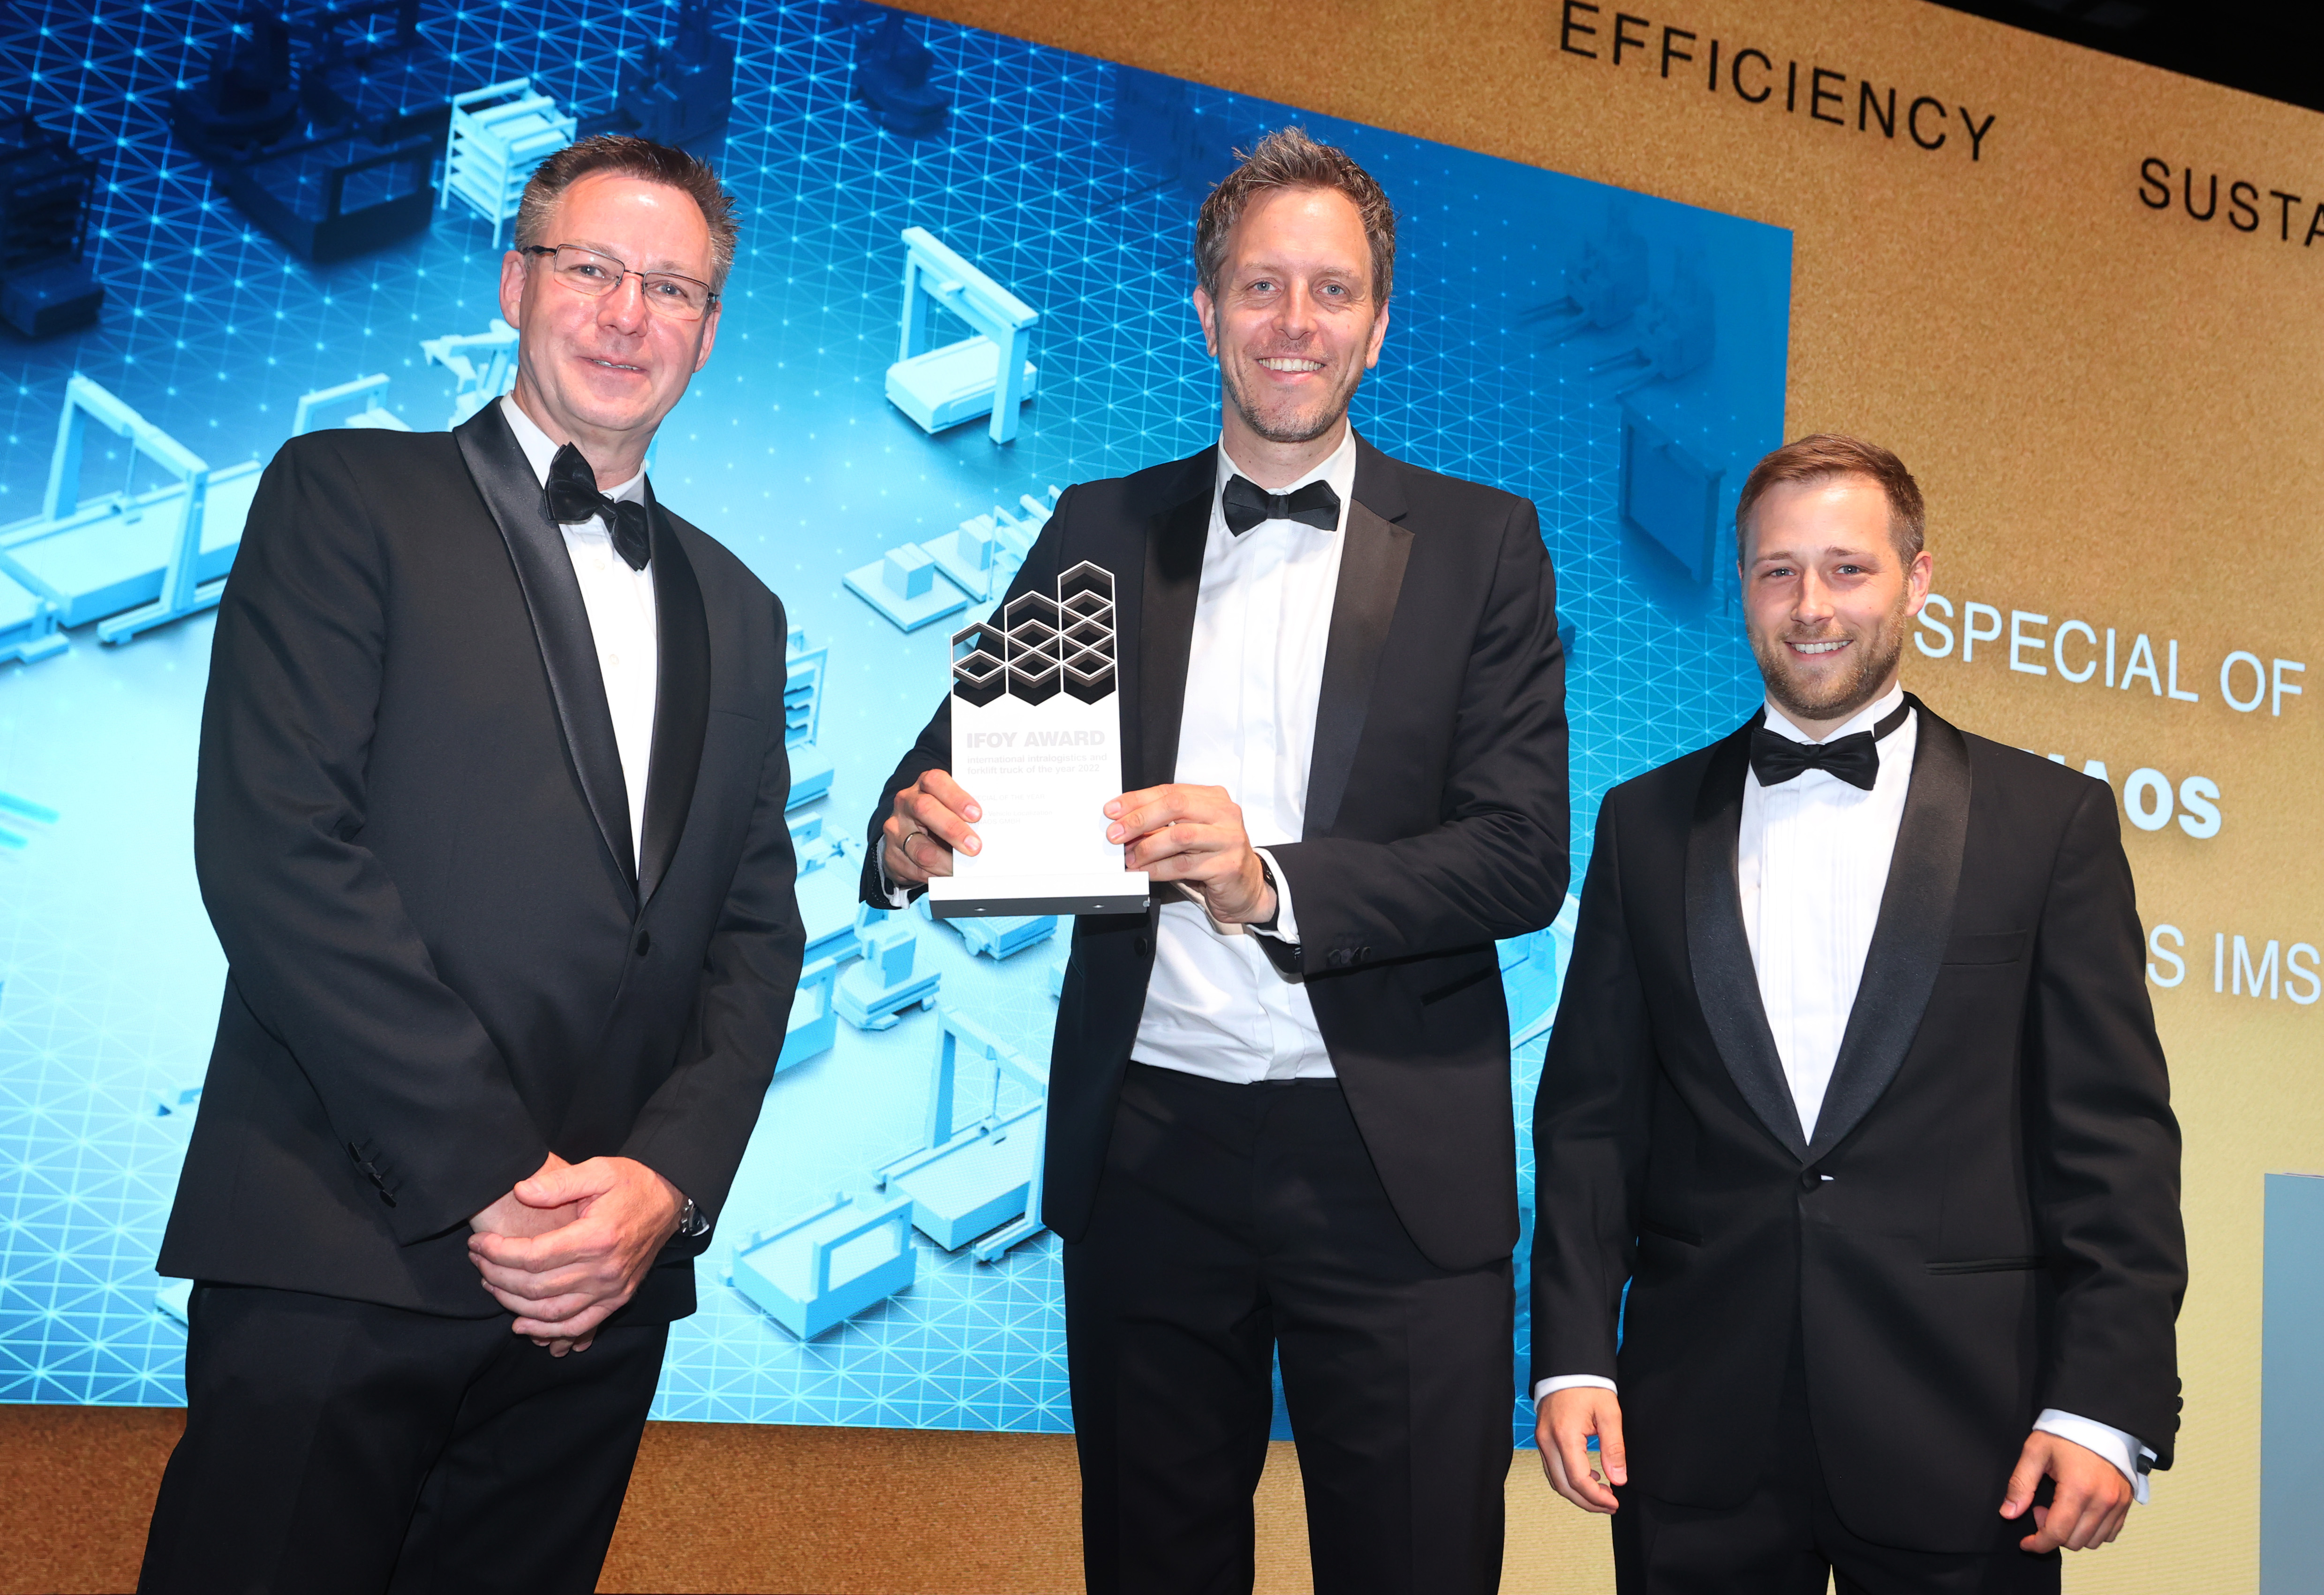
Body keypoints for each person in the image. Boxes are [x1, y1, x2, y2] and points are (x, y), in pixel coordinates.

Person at [865, 128, 1568, 1593]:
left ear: (1378, 324)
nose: (1293, 322)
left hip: (1387, 1156)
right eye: (1260, 285)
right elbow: (939, 769)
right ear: (1205, 309)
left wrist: (1273, 886)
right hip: (1148, 1149)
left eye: (1331, 290)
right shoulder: (1098, 526)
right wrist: (904, 833)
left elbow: (1518, 857)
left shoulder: (1483, 545)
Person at [138, 135, 804, 1594]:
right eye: (593, 268)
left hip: (600, 1302)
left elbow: (754, 938)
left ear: (708, 330)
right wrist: (493, 1177)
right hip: (342, 1250)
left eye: (672, 288)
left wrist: (663, 1187)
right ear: (515, 283)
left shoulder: (744, 611)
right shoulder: (344, 493)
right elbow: (277, 850)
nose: (627, 315)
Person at [1529, 434, 2186, 1593]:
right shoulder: (1641, 823)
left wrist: (2104, 1402)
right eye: (1778, 571)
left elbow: (2113, 1146)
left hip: (1971, 1437)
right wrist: (1574, 1356)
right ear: (1741, 588)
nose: (1811, 606)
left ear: (1917, 581)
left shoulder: (2052, 824)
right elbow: (1592, 1124)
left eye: (1848, 568)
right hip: (1696, 1429)